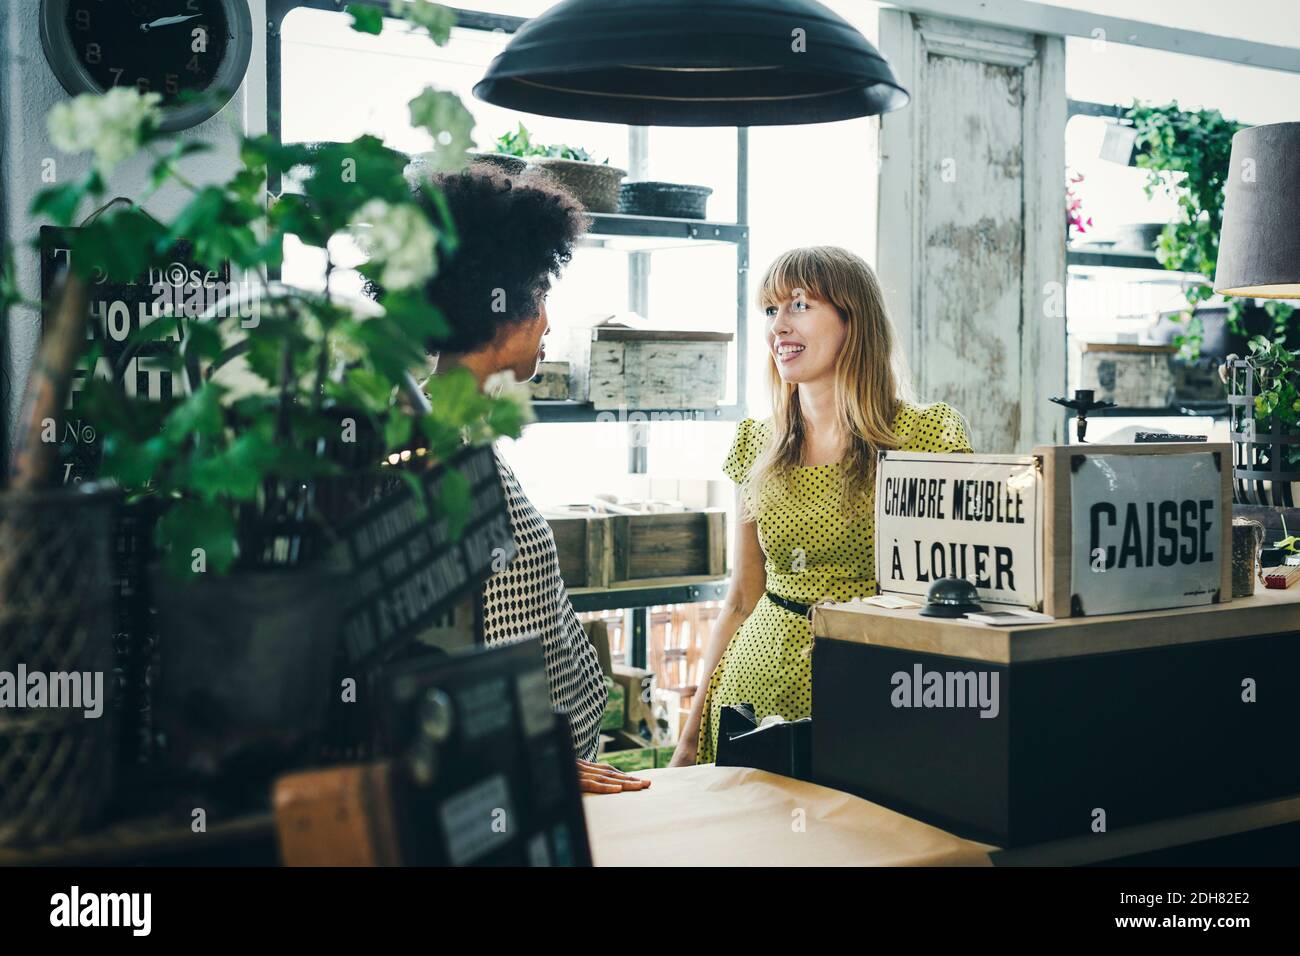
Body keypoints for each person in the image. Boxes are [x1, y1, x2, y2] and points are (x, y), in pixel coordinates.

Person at [398, 165, 649, 794]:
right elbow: (461, 648)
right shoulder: (445, 451)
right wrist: (537, 758)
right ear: (504, 309)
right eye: (539, 295)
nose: (547, 319)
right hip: (519, 783)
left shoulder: (457, 429)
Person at [670, 246, 973, 766]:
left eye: (800, 306)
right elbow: (742, 598)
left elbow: (958, 597)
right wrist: (689, 739)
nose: (778, 327)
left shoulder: (926, 437)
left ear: (853, 320)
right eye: (771, 310)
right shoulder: (754, 445)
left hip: (873, 701)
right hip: (750, 701)